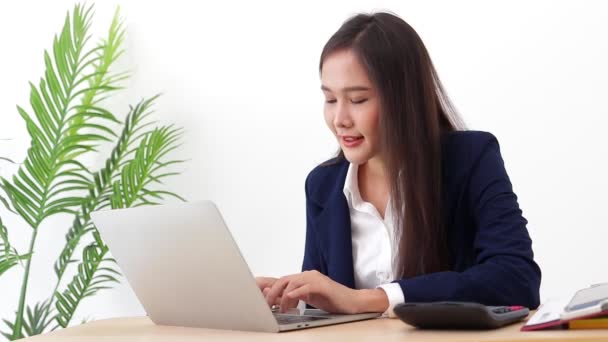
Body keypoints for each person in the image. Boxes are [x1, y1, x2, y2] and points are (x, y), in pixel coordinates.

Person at [256, 11, 541, 317]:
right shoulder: (322, 185)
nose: (340, 119)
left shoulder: (470, 158)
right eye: (330, 99)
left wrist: (370, 299)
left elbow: (516, 278)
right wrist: (293, 296)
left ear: (403, 99)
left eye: (358, 100)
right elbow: (332, 300)